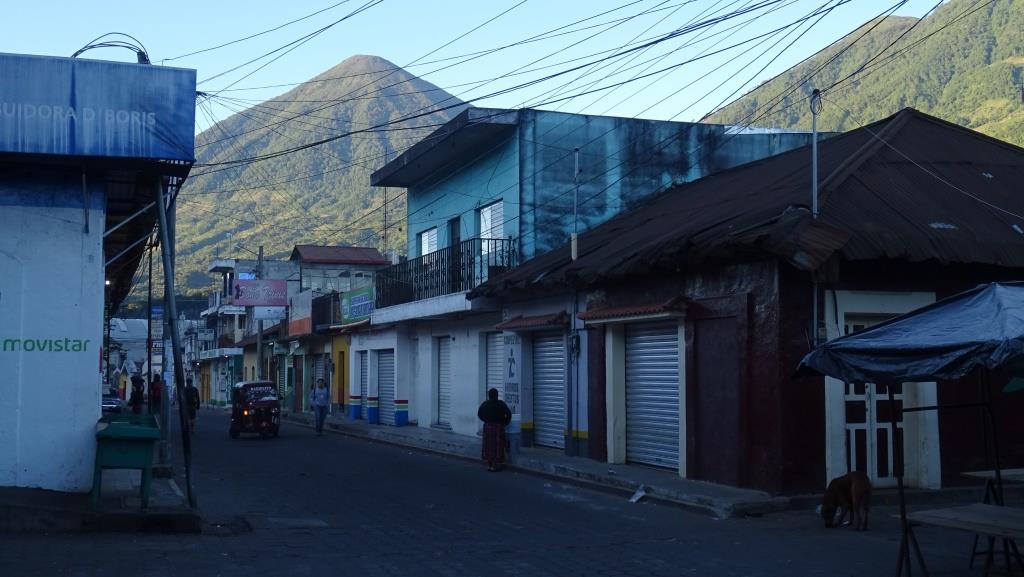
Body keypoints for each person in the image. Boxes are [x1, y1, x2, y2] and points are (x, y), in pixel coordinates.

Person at [477, 388, 512, 472]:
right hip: (498, 427)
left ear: (489, 395)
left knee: (488, 446)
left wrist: (486, 421)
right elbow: (509, 414)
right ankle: (494, 465)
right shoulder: (501, 404)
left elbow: (479, 414)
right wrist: (504, 422)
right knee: (497, 446)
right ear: (497, 395)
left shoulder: (485, 404)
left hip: (488, 427)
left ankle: (489, 465)